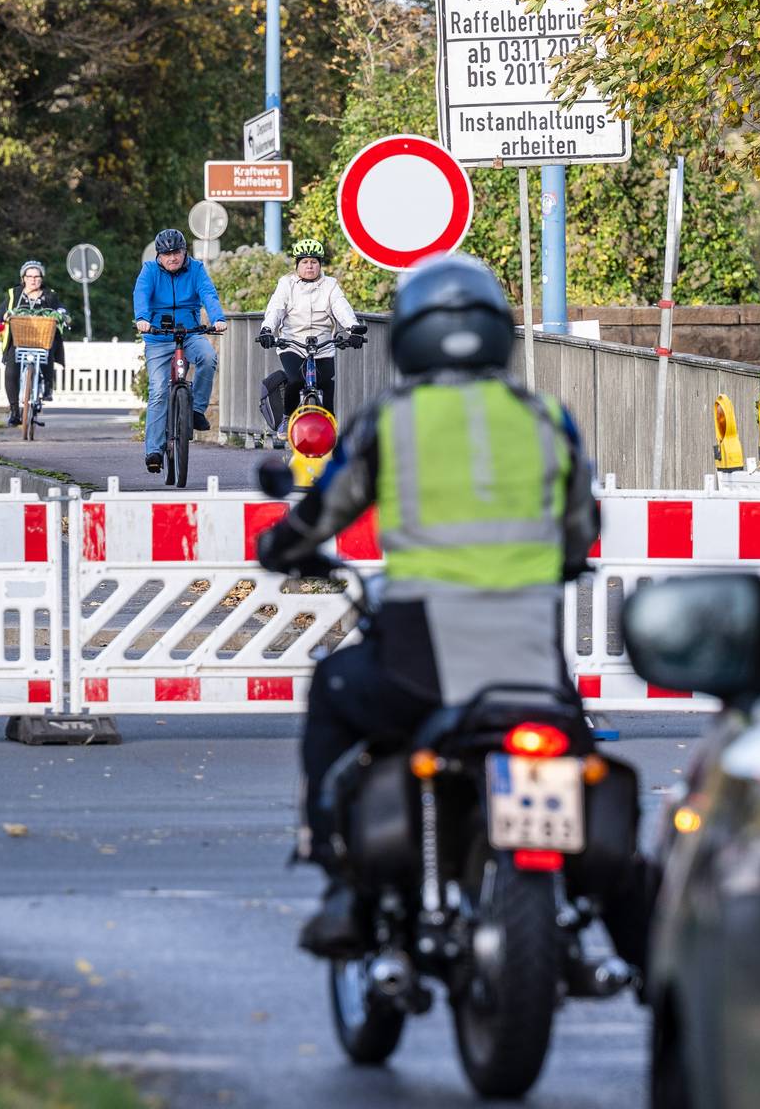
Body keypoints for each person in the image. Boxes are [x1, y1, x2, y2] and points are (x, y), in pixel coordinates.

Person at [253, 253, 605, 957]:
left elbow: (325, 508)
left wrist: (283, 545)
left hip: (421, 666)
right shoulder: (547, 419)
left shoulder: (391, 420)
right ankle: (616, 928)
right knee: (588, 772)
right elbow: (582, 529)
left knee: (334, 687)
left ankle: (340, 882)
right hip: (530, 669)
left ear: (408, 335)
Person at [132, 228, 225, 475]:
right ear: (159, 255)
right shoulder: (150, 271)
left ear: (185, 252)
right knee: (159, 391)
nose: (173, 258)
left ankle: (196, 411)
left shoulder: (195, 269)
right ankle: (153, 451)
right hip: (158, 336)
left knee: (208, 356)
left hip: (190, 331)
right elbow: (140, 294)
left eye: (177, 253)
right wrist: (141, 318)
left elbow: (208, 293)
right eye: (167, 254)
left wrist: (217, 318)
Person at [255, 238, 363, 432]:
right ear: (297, 265)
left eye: (314, 262)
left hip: (323, 344)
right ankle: (287, 418)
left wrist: (353, 328)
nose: (310, 266)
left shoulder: (330, 285)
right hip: (293, 344)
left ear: (320, 264)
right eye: (304, 262)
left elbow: (341, 307)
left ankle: (330, 424)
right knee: (295, 380)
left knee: (327, 383)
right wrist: (267, 330)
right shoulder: (286, 284)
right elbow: (276, 309)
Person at [1, 260, 70, 426]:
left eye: (37, 276)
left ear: (42, 278)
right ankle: (15, 411)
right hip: (18, 339)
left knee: (48, 352)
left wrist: (63, 315)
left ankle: (47, 387)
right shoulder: (14, 294)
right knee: (11, 370)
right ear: (23, 278)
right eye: (29, 276)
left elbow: (62, 309)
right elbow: (1, 312)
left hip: (42, 339)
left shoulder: (49, 295)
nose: (33, 279)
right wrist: (5, 315)